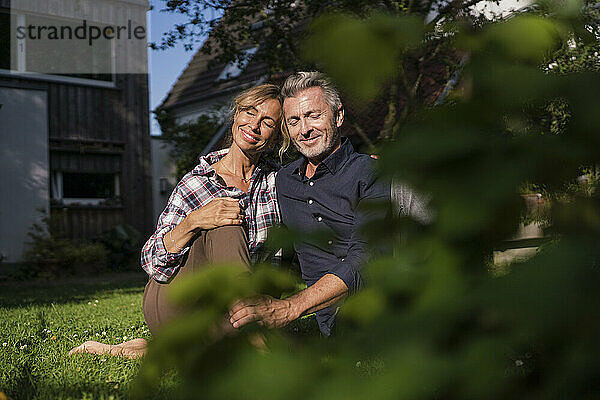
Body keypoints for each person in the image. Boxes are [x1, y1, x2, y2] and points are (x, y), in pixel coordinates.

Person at [69, 83, 284, 358]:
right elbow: (151, 261)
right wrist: (193, 221)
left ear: (276, 137)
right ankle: (254, 341)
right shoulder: (196, 183)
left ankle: (144, 350)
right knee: (225, 219)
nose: (254, 125)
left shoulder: (278, 183)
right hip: (178, 300)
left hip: (226, 315)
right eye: (249, 112)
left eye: (267, 122)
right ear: (235, 116)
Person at [229, 71, 391, 336]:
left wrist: (290, 308)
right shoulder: (282, 181)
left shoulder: (370, 172)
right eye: (294, 121)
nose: (304, 130)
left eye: (313, 116)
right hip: (332, 324)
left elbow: (366, 257)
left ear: (338, 116)